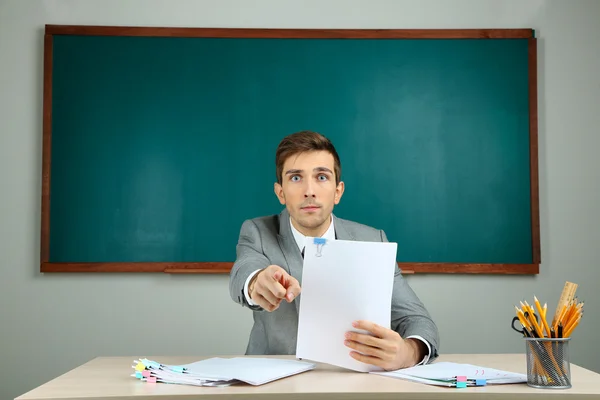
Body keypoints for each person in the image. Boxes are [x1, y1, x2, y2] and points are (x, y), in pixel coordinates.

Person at [229, 130, 439, 371]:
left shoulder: (373, 241)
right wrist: (256, 283)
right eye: (296, 178)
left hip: (351, 382)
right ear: (281, 193)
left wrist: (409, 352)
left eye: (321, 177)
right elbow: (243, 272)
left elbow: (417, 320)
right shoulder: (257, 231)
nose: (309, 191)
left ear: (338, 191)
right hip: (271, 384)